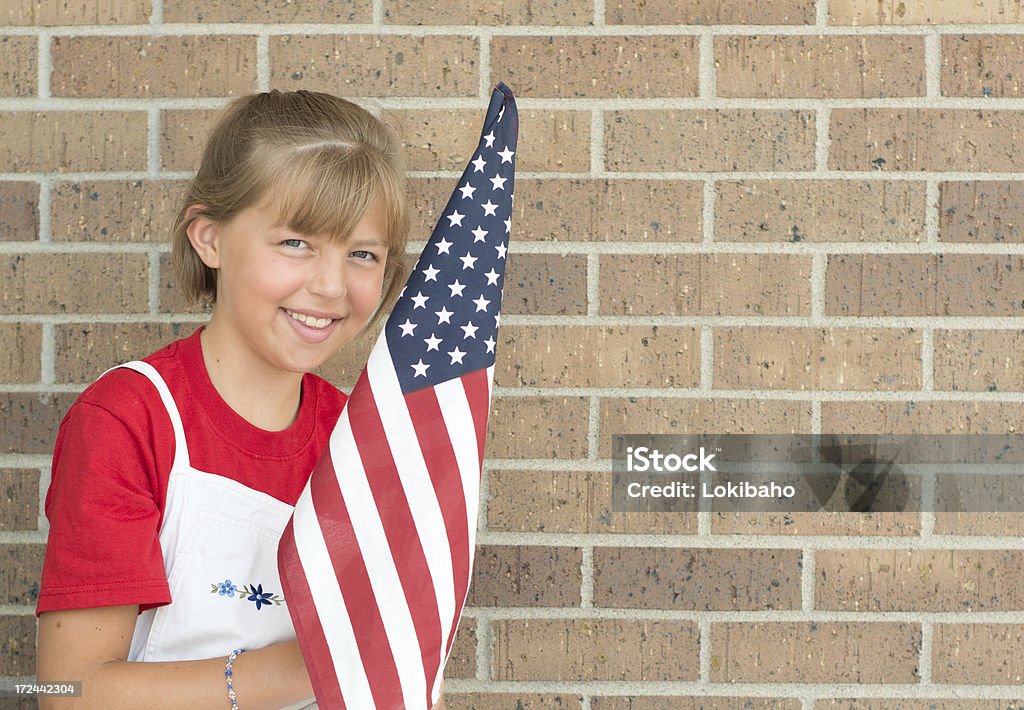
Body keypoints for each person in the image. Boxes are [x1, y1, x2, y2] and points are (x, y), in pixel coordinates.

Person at [35, 89, 440, 709]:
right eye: (296, 242)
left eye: (362, 254)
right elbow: (65, 692)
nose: (331, 287)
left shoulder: (363, 443)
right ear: (210, 239)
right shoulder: (129, 419)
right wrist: (304, 670)